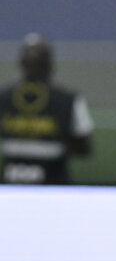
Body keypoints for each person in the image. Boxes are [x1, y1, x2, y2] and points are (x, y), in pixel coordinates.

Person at [0, 33, 92, 184]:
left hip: (31, 186)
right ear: (50, 65)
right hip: (48, 185)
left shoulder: (4, 97)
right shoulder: (67, 99)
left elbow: (84, 146)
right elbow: (83, 146)